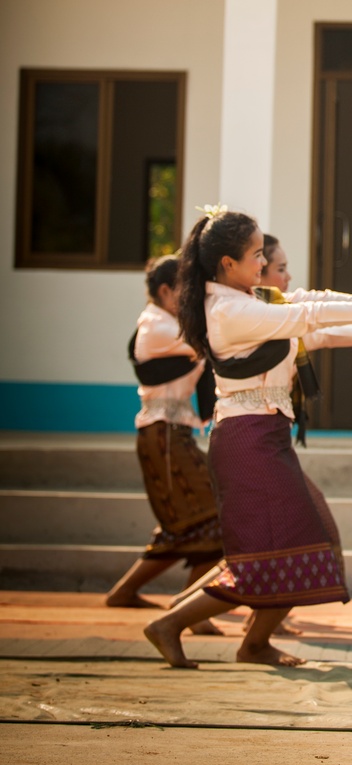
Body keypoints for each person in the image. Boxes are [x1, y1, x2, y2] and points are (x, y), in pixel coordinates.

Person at [142, 206, 352, 669]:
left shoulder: (252, 299)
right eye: (258, 256)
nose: (266, 265)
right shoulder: (231, 310)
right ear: (227, 264)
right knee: (271, 554)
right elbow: (307, 314)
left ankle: (251, 642)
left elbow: (307, 300)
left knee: (302, 542)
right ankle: (174, 625)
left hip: (262, 436)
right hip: (247, 440)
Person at [105, 255, 223, 622]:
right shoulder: (156, 326)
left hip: (172, 435)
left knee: (190, 525)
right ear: (165, 291)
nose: (191, 298)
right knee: (212, 519)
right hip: (164, 437)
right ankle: (192, 612)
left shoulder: (167, 323)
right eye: (186, 290)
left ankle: (129, 594)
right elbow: (210, 338)